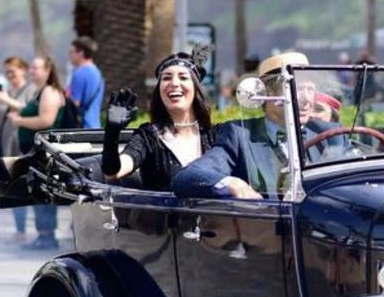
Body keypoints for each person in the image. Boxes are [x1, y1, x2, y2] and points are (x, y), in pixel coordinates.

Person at [174, 52, 335, 199]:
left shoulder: (328, 134)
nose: (307, 99)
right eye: (297, 89)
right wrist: (232, 184)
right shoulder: (240, 135)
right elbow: (188, 177)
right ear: (269, 93)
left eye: (311, 89)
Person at [101, 48, 215, 191]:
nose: (174, 83)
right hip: (162, 212)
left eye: (183, 77)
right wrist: (111, 133)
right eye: (166, 77)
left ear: (196, 89)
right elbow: (112, 172)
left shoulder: (215, 136)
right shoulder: (149, 136)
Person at [9, 56, 66, 249]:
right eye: (31, 68)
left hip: (45, 153)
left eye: (36, 68)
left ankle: (47, 237)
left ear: (48, 70)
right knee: (37, 192)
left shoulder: (49, 92)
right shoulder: (41, 92)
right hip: (35, 151)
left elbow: (46, 120)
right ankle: (43, 235)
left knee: (43, 193)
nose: (31, 71)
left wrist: (19, 122)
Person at [0, 56, 37, 243]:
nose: (9, 74)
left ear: (23, 70)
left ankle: (43, 233)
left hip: (24, 148)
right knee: (13, 191)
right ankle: (20, 231)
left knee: (31, 190)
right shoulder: (4, 92)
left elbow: (30, 110)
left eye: (12, 70)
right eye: (6, 71)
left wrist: (7, 100)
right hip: (6, 148)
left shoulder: (31, 90)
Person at [67, 36, 105, 129]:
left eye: (71, 52)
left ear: (81, 53)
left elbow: (75, 103)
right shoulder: (97, 72)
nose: (69, 55)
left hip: (82, 128)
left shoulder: (80, 73)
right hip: (95, 126)